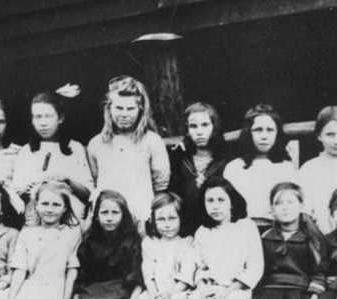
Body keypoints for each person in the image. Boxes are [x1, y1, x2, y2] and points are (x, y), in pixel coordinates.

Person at [86, 75, 170, 223]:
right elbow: (94, 180)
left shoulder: (152, 141)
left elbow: (161, 184)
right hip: (107, 220)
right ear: (109, 108)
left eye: (130, 108)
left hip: (141, 217)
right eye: (118, 108)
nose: (124, 114)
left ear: (140, 109)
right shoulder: (96, 143)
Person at [11, 92, 92, 222]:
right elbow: (16, 193)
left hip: (72, 222)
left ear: (60, 118)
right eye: (38, 117)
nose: (43, 123)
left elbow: (88, 193)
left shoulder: (75, 148)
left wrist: (68, 180)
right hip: (36, 222)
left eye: (48, 116)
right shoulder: (26, 151)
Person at [223, 104, 297, 229]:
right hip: (241, 231)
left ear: (277, 133)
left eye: (270, 130)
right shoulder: (234, 168)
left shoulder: (286, 168)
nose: (264, 136)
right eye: (258, 130)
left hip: (277, 232)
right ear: (248, 132)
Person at [168, 102, 229, 236]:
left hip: (218, 228)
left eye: (205, 125)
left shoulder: (225, 159)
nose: (200, 131)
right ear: (187, 130)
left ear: (214, 127)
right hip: (186, 228)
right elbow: (173, 193)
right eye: (193, 126)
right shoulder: (179, 159)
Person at [299, 106, 337, 233]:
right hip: (321, 239)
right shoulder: (310, 169)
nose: (336, 141)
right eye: (330, 134)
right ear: (319, 136)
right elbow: (305, 213)